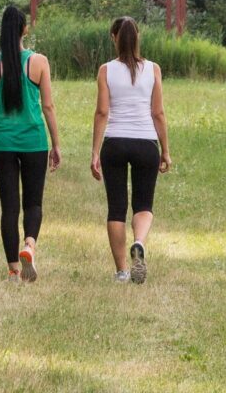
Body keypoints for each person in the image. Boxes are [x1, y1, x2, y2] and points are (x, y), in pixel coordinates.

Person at [0, 6, 61, 283]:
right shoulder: (39, 62)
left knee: (9, 207)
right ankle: (29, 244)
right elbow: (48, 107)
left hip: (2, 142)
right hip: (34, 141)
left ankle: (14, 269)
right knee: (33, 203)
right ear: (24, 29)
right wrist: (56, 144)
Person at [90, 17, 172, 284]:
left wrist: (95, 152)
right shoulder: (153, 69)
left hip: (114, 143)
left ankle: (122, 271)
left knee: (116, 209)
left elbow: (103, 112)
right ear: (138, 37)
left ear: (114, 37)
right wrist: (166, 150)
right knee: (143, 205)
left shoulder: (106, 70)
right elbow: (157, 112)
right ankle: (139, 242)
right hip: (146, 142)